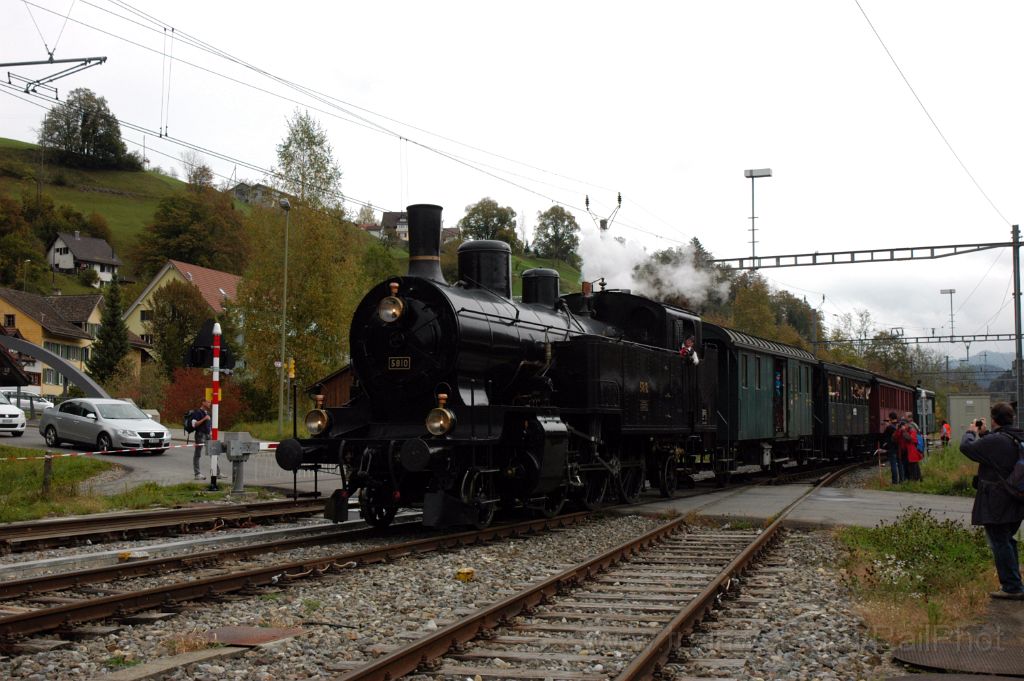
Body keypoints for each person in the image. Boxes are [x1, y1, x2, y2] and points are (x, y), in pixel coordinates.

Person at [960, 402, 1024, 600]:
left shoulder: (997, 440)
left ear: (994, 419)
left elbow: (966, 448)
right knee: (1006, 540)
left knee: (999, 541)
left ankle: (1012, 587)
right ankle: (1014, 583)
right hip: (1017, 497)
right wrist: (986, 433)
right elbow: (997, 453)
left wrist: (971, 431)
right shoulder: (1016, 436)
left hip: (997, 500)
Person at [188, 399, 212, 480]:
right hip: (200, 435)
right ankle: (197, 474)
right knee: (197, 454)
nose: (210, 404)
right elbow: (194, 424)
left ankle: (217, 472)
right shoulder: (197, 412)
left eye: (210, 402)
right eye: (208, 402)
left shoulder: (208, 413)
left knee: (214, 452)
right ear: (203, 402)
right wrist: (204, 418)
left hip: (208, 435)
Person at [880, 412, 903, 484]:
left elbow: (884, 437)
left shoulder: (889, 427)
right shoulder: (899, 425)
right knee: (900, 464)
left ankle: (895, 481)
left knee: (893, 465)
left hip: (892, 448)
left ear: (890, 418)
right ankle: (902, 480)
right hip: (899, 448)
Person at [902, 412, 923, 481]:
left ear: (909, 417)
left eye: (905, 416)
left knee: (913, 465)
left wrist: (904, 431)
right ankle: (918, 479)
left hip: (913, 448)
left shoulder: (911, 426)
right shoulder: (913, 425)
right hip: (915, 448)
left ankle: (915, 479)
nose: (903, 417)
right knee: (915, 465)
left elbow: (911, 438)